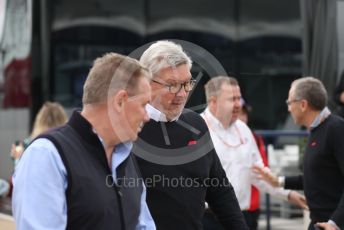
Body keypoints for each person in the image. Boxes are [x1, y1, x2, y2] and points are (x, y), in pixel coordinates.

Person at [12, 53, 156, 230]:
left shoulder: (126, 157)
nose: (147, 117)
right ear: (120, 101)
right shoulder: (46, 155)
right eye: (144, 105)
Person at [133, 40, 248, 229]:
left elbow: (220, 190)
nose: (181, 94)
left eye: (186, 84)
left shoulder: (196, 124)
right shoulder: (130, 128)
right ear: (146, 82)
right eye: (171, 85)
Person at [201, 76, 308, 230]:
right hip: (208, 220)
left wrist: (288, 194)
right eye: (232, 99)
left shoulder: (243, 129)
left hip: (240, 218)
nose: (239, 104)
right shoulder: (197, 130)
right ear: (213, 101)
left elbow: (259, 174)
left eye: (240, 98)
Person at [254, 77, 344, 230]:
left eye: (290, 102)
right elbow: (318, 176)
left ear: (303, 105)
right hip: (319, 223)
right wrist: (279, 181)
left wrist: (335, 222)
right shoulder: (316, 131)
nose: (288, 108)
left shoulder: (336, 129)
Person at [238, 100, 269, 229]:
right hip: (228, 206)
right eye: (239, 113)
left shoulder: (254, 138)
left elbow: (263, 170)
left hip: (251, 206)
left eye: (244, 114)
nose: (242, 117)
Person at [10, 101, 68, 165]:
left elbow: (23, 173)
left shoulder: (32, 146)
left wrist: (18, 160)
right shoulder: (68, 145)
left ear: (39, 121)